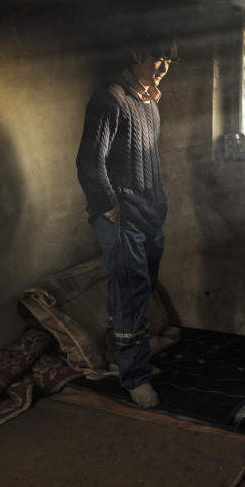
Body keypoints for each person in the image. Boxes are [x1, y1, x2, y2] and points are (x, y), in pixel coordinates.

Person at [75, 27, 178, 409]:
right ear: (136, 53)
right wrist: (111, 209)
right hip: (122, 217)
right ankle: (135, 376)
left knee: (136, 288)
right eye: (157, 58)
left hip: (150, 213)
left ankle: (118, 357)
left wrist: (158, 205)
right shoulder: (109, 99)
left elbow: (146, 159)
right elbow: (89, 161)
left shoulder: (150, 102)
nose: (163, 66)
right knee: (132, 291)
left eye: (169, 60)